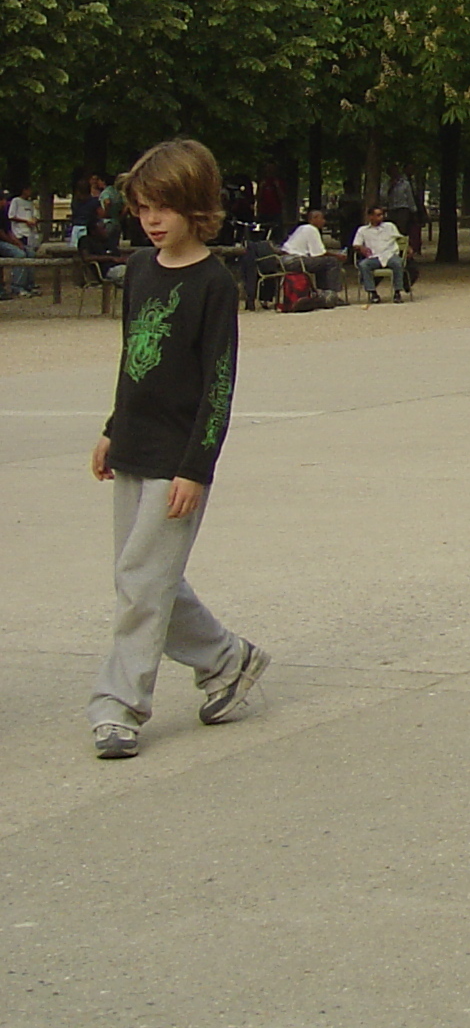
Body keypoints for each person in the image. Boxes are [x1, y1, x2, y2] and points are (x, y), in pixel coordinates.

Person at [86, 138, 268, 760]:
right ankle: (227, 659)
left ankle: (119, 706)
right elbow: (131, 361)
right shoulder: (139, 270)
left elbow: (219, 384)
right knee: (145, 578)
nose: (152, 221)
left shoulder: (215, 285)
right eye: (142, 209)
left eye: (162, 207)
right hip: (134, 446)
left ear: (196, 207)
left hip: (178, 461)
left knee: (142, 581)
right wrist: (113, 427)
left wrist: (197, 467)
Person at [349, 205, 411, 303]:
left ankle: (397, 292)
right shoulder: (363, 230)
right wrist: (361, 248)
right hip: (374, 256)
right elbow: (356, 244)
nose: (381, 217)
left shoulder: (390, 226)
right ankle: (373, 293)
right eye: (378, 215)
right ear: (370, 216)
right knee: (363, 265)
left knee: (398, 263)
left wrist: (408, 248)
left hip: (390, 254)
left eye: (382, 215)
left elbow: (400, 238)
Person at [280, 207, 344, 296]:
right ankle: (332, 294)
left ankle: (321, 292)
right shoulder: (312, 229)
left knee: (321, 263)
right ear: (314, 219)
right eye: (322, 218)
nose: (324, 221)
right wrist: (337, 255)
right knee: (332, 262)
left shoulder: (302, 228)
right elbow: (319, 253)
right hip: (296, 261)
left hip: (284, 260)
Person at [0, 180, 36, 298]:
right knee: (19, 254)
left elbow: (8, 231)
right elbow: (2, 234)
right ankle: (17, 287)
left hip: (6, 240)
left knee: (29, 252)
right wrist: (14, 243)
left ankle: (29, 285)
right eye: (3, 200)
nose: (5, 202)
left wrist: (17, 242)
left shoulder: (3, 213)